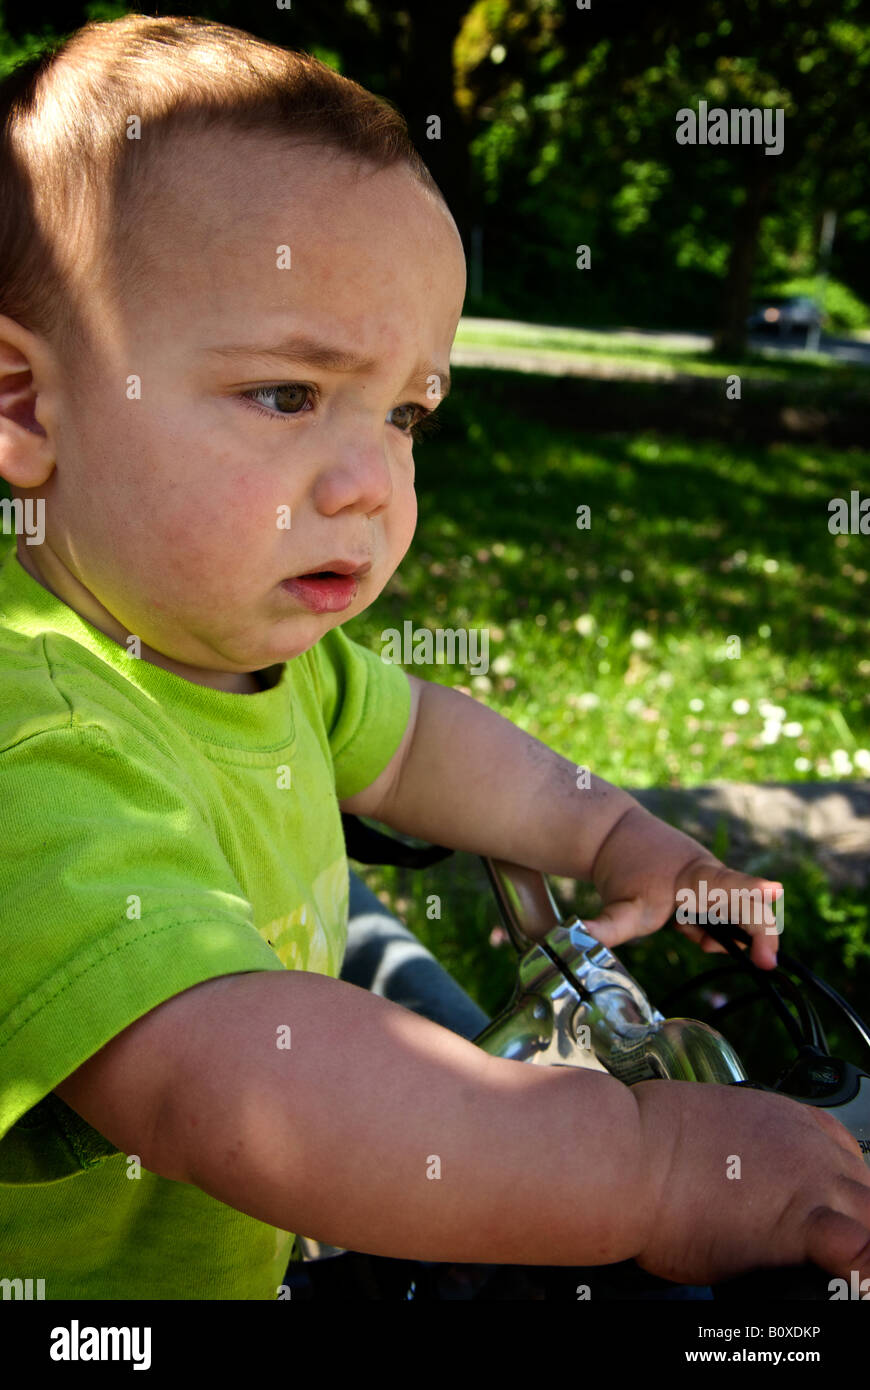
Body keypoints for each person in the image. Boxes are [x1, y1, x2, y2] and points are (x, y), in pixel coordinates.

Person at [1, 14, 868, 1303]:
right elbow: (236, 1085)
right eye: (291, 394)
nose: (373, 486)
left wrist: (626, 843)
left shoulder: (251, 649)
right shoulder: (41, 746)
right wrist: (647, 1165)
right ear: (24, 408)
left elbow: (423, 746)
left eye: (407, 411)